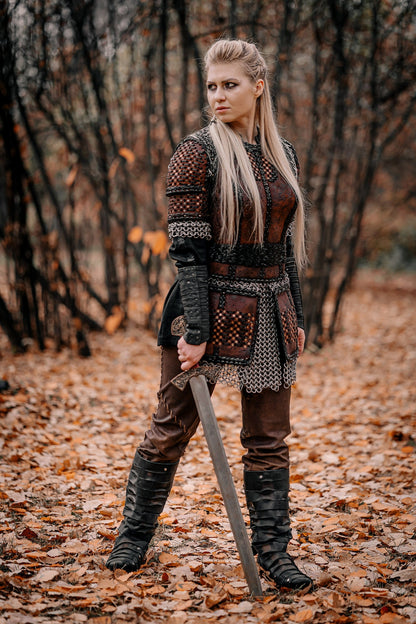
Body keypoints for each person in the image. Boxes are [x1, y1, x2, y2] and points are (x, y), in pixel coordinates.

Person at [105, 38, 312, 591]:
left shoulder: (282, 155)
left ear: (258, 86)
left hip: (269, 308)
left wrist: (297, 312)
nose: (218, 96)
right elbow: (188, 252)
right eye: (212, 86)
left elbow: (283, 248)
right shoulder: (196, 152)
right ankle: (134, 535)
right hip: (205, 304)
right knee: (171, 427)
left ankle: (274, 553)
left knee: (269, 439)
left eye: (230, 85)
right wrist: (197, 330)